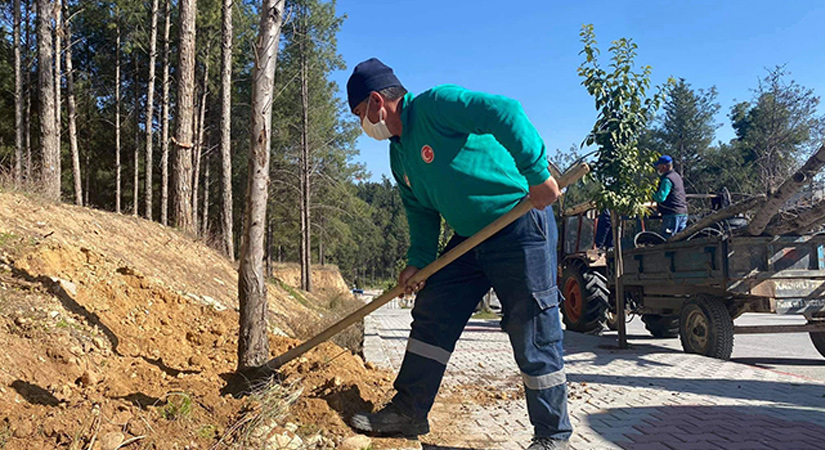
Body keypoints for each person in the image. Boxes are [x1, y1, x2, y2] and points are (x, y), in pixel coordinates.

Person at [345, 58, 572, 450]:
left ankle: (553, 437)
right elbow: (420, 210)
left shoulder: (436, 105)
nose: (362, 124)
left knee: (532, 328)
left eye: (360, 114)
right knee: (433, 309)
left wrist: (537, 175)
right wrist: (418, 260)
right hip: (470, 239)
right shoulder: (399, 154)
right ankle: (409, 412)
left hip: (517, 223)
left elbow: (506, 112)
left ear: (377, 102)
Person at [653, 155, 688, 237]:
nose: (658, 169)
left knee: (668, 240)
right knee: (681, 240)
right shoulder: (677, 176)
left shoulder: (667, 179)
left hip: (671, 214)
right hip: (682, 212)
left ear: (664, 166)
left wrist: (650, 194)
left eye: (659, 167)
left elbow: (661, 197)